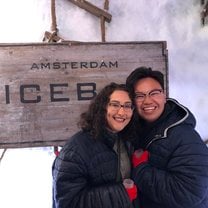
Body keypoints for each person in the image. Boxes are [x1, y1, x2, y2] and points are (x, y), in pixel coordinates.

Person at [126, 66, 208, 208]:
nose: (147, 101)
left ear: (164, 96)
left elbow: (189, 192)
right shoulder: (139, 129)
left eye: (154, 93)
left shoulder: (185, 137)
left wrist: (141, 169)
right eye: (139, 96)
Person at [52, 82, 139, 208]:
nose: (122, 112)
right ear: (102, 107)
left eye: (127, 106)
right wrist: (122, 194)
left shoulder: (126, 141)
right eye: (114, 105)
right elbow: (67, 203)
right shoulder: (76, 149)